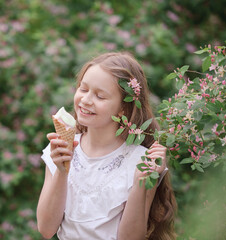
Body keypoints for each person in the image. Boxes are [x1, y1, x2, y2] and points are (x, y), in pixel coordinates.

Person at [36, 52, 177, 240]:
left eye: (100, 96)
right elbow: (46, 229)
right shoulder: (60, 149)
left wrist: (140, 183)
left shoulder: (142, 161)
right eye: (83, 89)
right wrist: (61, 172)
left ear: (123, 108)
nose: (86, 100)